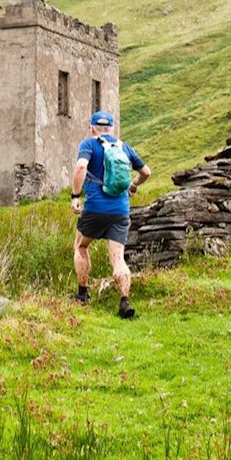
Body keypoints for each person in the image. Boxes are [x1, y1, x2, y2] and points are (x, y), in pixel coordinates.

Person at [70, 110, 152, 319]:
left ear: (92, 128)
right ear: (112, 129)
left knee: (81, 245)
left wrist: (75, 196)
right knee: (118, 258)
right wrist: (133, 186)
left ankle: (82, 294)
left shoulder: (89, 144)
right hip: (120, 210)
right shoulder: (124, 147)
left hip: (96, 207)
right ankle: (125, 301)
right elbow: (146, 172)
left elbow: (81, 166)